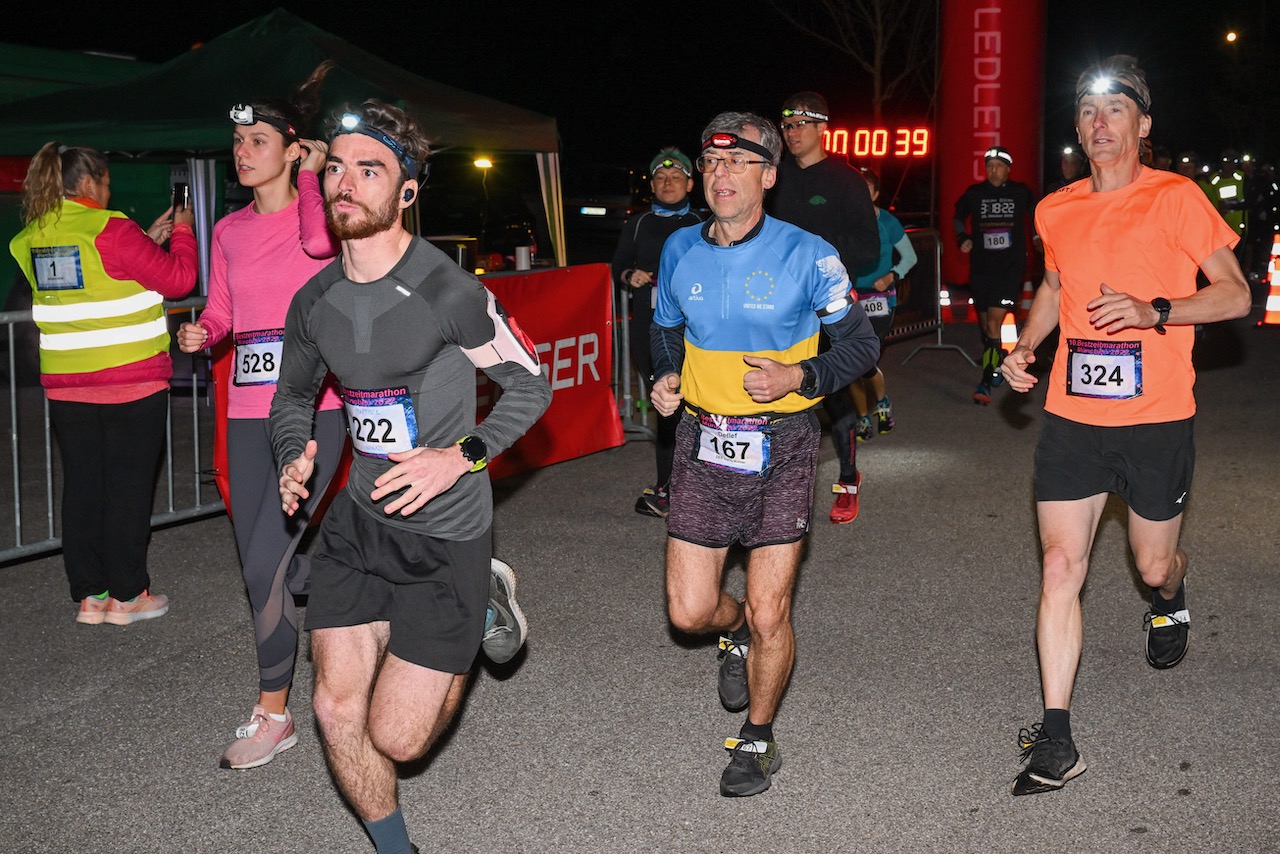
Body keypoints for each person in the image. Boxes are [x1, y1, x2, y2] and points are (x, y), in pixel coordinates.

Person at [269, 99, 551, 853]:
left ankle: (485, 591)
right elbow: (293, 397)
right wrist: (294, 454)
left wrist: (461, 454)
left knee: (399, 739)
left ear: (407, 192)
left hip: (447, 531)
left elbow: (531, 385)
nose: (345, 183)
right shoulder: (314, 300)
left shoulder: (449, 292)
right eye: (336, 168)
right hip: (357, 528)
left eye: (370, 170)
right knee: (334, 710)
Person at [1001, 55, 1251, 796]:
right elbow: (1054, 285)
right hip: (1073, 417)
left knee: (1149, 565)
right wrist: (1024, 346)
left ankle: (1170, 596)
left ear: (1142, 124)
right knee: (1059, 568)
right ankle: (1057, 739)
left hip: (1157, 418)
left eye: (1114, 110)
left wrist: (1156, 311)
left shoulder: (1178, 198)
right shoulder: (1055, 208)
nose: (1098, 123)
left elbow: (1236, 295)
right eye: (1086, 111)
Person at [651, 112, 878, 797]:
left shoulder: (808, 255)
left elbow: (862, 347)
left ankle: (757, 738)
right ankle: (735, 634)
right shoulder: (679, 251)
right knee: (691, 612)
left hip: (783, 443)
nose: (720, 175)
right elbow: (664, 333)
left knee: (772, 607)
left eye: (739, 163)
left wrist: (799, 377)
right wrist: (663, 377)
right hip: (700, 441)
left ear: (768, 177)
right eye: (712, 163)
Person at [176, 74, 346, 769]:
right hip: (245, 418)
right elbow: (223, 311)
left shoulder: (321, 215)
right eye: (238, 142)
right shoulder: (227, 229)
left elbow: (314, 247)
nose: (242, 152)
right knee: (272, 561)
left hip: (312, 411)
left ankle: (273, 713)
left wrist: (311, 177)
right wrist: (203, 332)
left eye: (258, 141)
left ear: (293, 150)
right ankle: (367, 578)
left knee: (262, 565)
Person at [8, 143, 197, 625]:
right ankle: (129, 595)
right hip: (130, 380)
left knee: (84, 487)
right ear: (90, 182)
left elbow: (93, 281)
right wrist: (182, 231)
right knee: (128, 490)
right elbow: (179, 279)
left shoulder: (31, 236)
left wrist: (145, 240)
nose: (109, 191)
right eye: (107, 182)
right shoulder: (111, 227)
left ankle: (91, 596)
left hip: (68, 385)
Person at [769, 91, 879, 524]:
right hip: (776, 302)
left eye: (800, 125)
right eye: (786, 126)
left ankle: (848, 479)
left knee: (831, 395)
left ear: (821, 129)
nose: (791, 133)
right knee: (773, 389)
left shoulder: (846, 180)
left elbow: (869, 248)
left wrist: (815, 260)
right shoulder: (774, 178)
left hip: (825, 304)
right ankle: (774, 483)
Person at [611, 147, 704, 517]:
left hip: (694, 325)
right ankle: (667, 487)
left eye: (676, 177)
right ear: (652, 184)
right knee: (665, 403)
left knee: (698, 403)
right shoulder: (639, 222)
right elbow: (618, 264)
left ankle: (702, 483)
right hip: (650, 326)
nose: (668, 183)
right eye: (661, 178)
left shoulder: (703, 221)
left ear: (690, 184)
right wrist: (628, 276)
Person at [954, 145, 1038, 405]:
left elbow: (1037, 214)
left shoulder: (1020, 191)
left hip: (1009, 269)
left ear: (1008, 169)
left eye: (998, 166)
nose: (993, 171)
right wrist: (963, 237)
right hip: (981, 268)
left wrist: (1037, 236)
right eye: (989, 166)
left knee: (994, 323)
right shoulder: (975, 193)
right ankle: (996, 355)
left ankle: (986, 380)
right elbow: (958, 216)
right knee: (985, 325)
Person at [849, 169, 916, 443]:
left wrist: (891, 275)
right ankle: (863, 417)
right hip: (852, 297)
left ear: (876, 194)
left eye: (867, 190)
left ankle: (882, 403)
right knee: (851, 362)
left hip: (880, 299)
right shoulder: (845, 221)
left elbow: (909, 258)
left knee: (866, 360)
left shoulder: (888, 222)